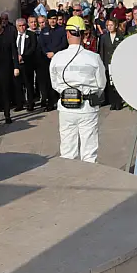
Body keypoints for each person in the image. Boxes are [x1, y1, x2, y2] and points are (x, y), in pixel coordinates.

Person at [49, 16, 106, 163]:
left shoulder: (57, 58)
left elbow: (54, 84)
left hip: (66, 107)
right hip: (87, 108)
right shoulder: (93, 57)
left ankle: (68, 181)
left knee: (67, 151)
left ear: (67, 34)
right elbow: (101, 84)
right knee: (89, 152)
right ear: (83, 34)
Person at [40, 12, 68, 111]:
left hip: (59, 58)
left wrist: (55, 53)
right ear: (48, 20)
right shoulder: (44, 30)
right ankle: (50, 103)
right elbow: (42, 44)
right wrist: (48, 53)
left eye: (54, 18)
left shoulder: (62, 30)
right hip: (47, 59)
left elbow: (64, 43)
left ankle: (62, 101)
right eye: (51, 19)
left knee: (60, 80)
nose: (53, 20)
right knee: (49, 81)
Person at [98, 18, 124, 110]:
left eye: (111, 25)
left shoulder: (121, 36)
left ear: (116, 25)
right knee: (109, 84)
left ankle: (118, 102)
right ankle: (112, 102)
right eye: (108, 25)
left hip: (117, 63)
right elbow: (102, 51)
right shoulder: (104, 37)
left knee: (117, 83)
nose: (110, 27)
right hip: (107, 64)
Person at [14, 18, 38, 112]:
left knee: (29, 84)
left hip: (27, 63)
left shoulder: (31, 35)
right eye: (19, 26)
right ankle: (19, 104)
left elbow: (33, 48)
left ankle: (30, 103)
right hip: (16, 64)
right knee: (18, 84)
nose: (22, 27)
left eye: (23, 25)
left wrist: (23, 56)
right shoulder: (13, 35)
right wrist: (16, 57)